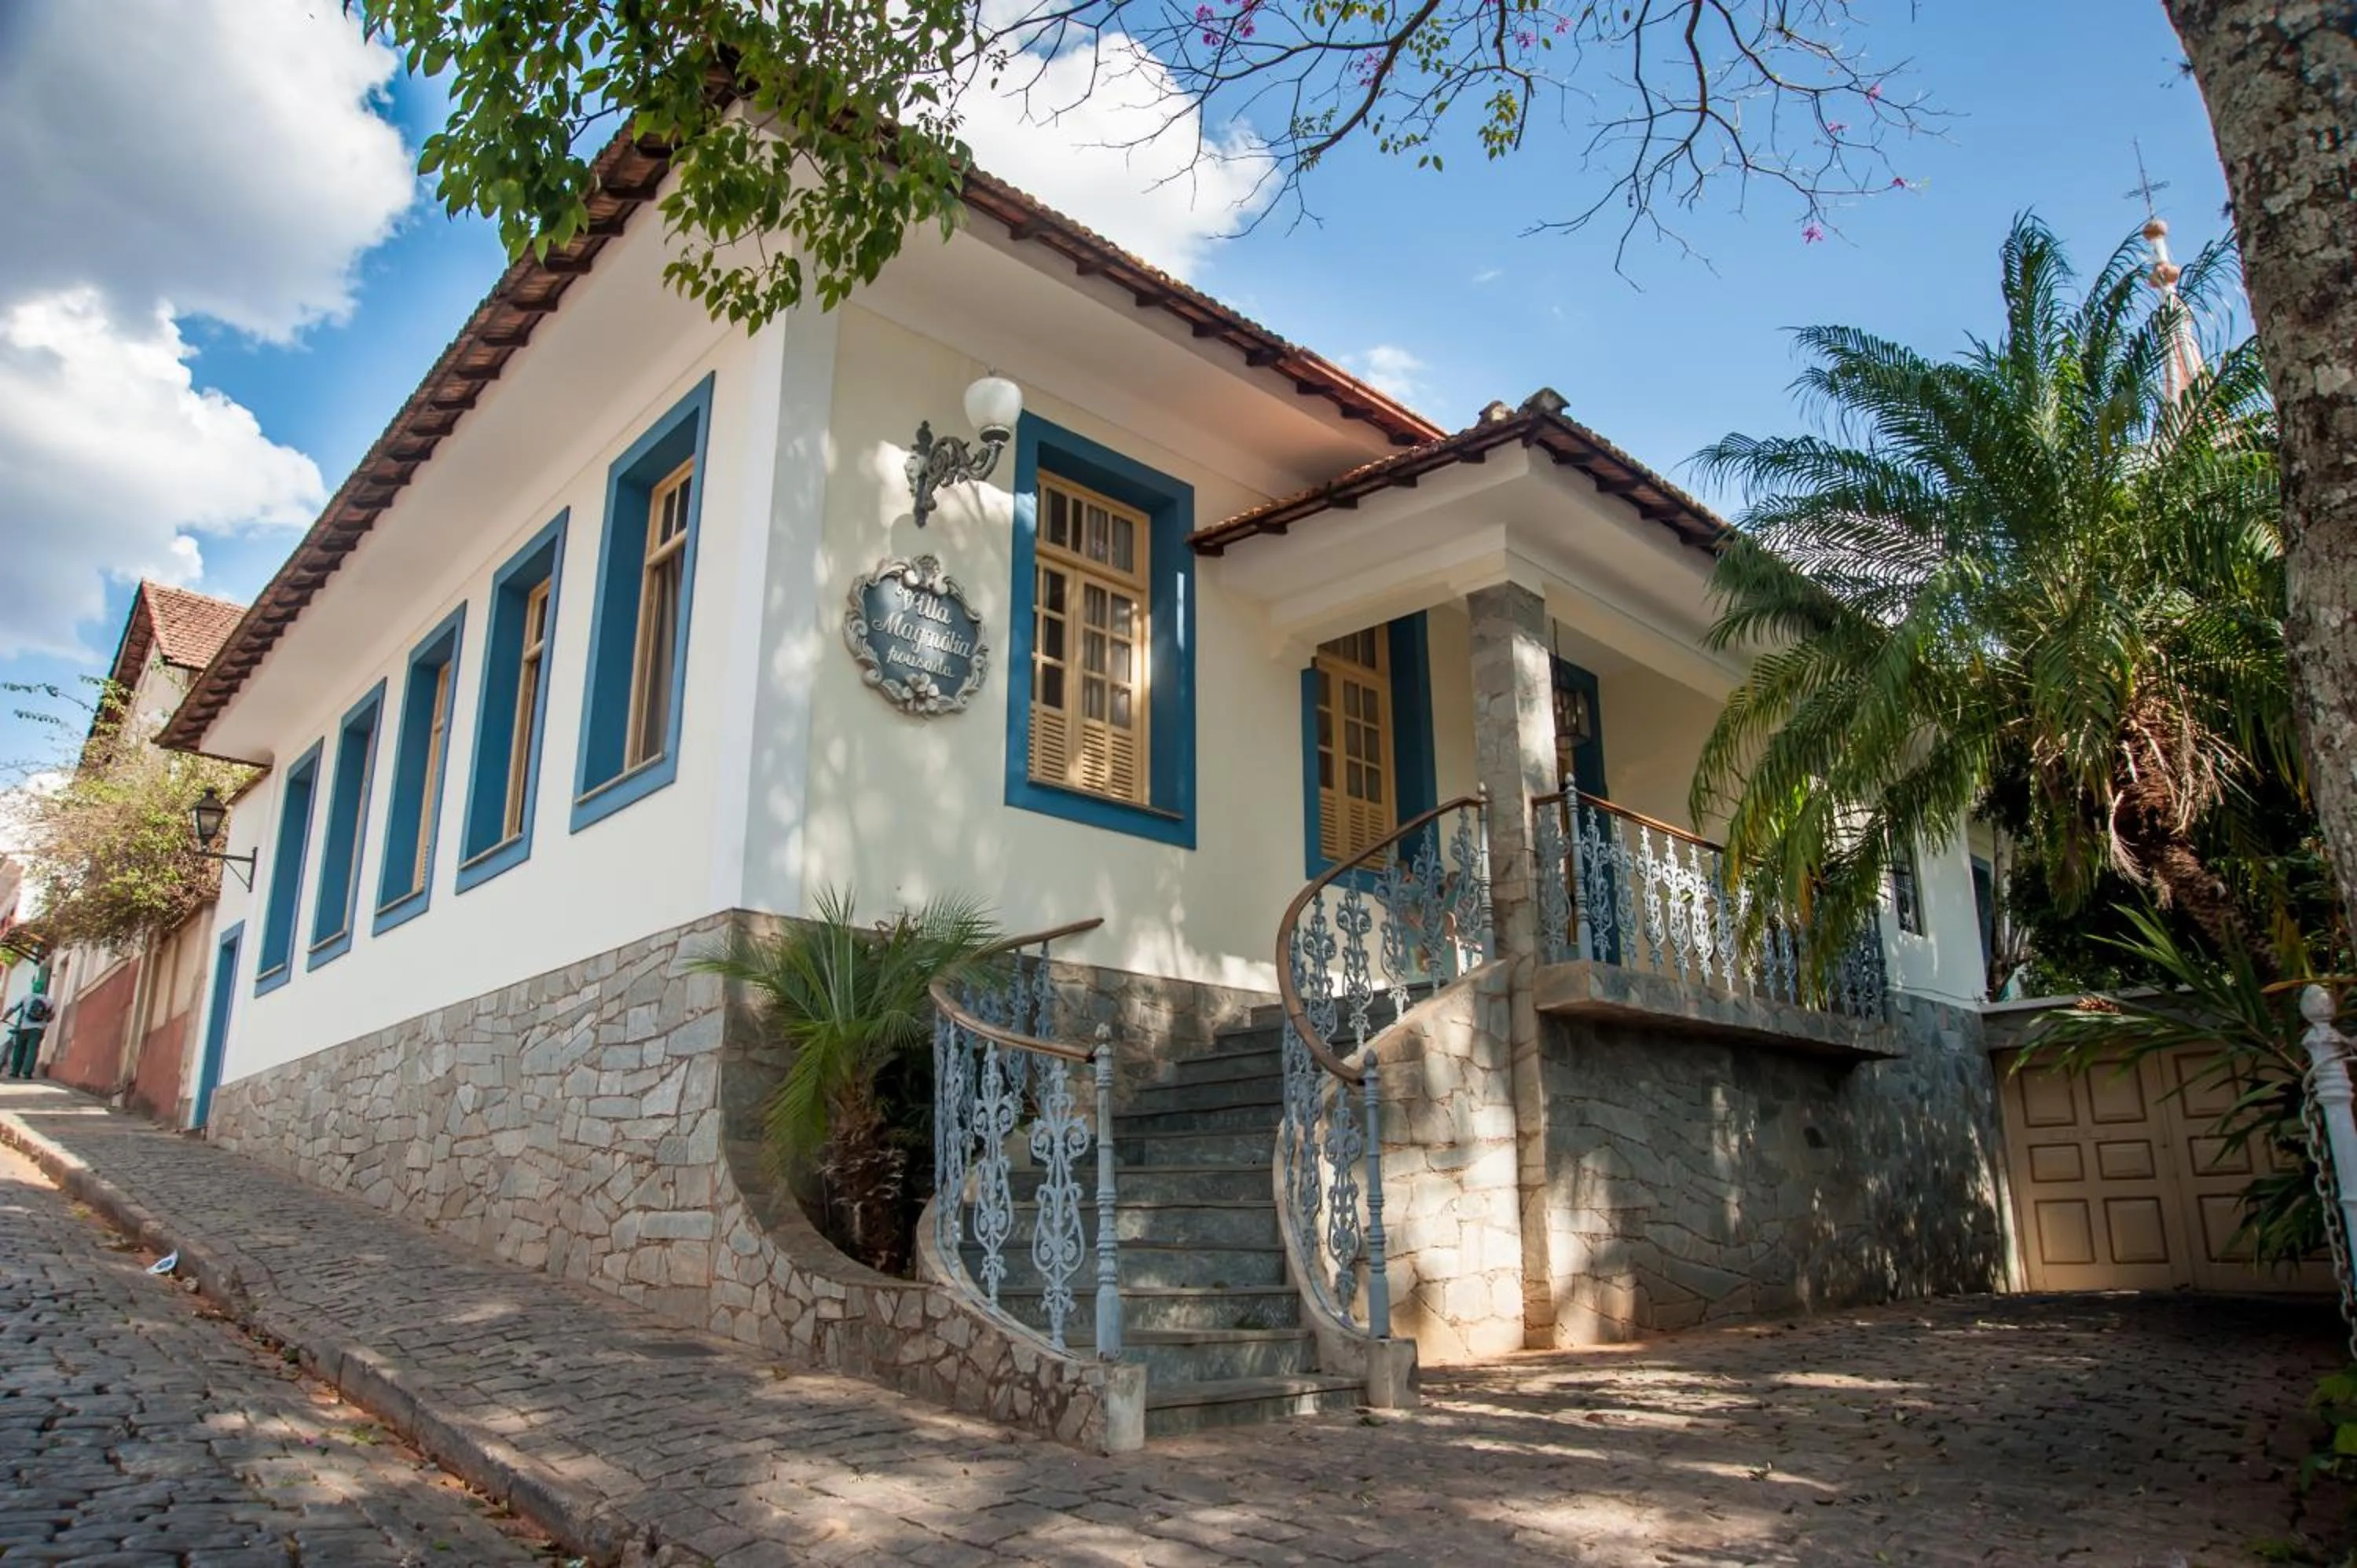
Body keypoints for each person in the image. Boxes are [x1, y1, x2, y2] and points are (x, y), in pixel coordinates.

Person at [3, 986, 51, 1079]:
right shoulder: (49, 1000)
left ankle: (15, 1072)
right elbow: (50, 1017)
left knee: (19, 1049)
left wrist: (4, 1018)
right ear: (43, 989)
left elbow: (13, 1009)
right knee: (32, 1050)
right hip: (38, 1029)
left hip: (24, 1027)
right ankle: (27, 1073)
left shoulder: (26, 997)